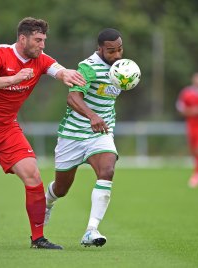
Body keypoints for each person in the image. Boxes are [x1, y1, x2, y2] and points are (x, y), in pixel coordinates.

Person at [0, 17, 86, 250]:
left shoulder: (40, 60)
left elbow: (57, 70)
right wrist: (14, 78)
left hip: (7, 129)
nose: (42, 45)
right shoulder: (1, 53)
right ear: (23, 38)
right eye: (38, 40)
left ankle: (38, 239)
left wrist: (66, 74)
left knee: (33, 175)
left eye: (44, 40)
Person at [44, 28, 124, 247]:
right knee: (61, 189)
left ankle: (91, 230)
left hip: (101, 132)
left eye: (119, 49)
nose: (116, 55)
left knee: (107, 171)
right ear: (99, 49)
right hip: (73, 135)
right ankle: (47, 203)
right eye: (111, 51)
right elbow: (72, 98)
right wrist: (92, 116)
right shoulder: (87, 67)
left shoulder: (122, 67)